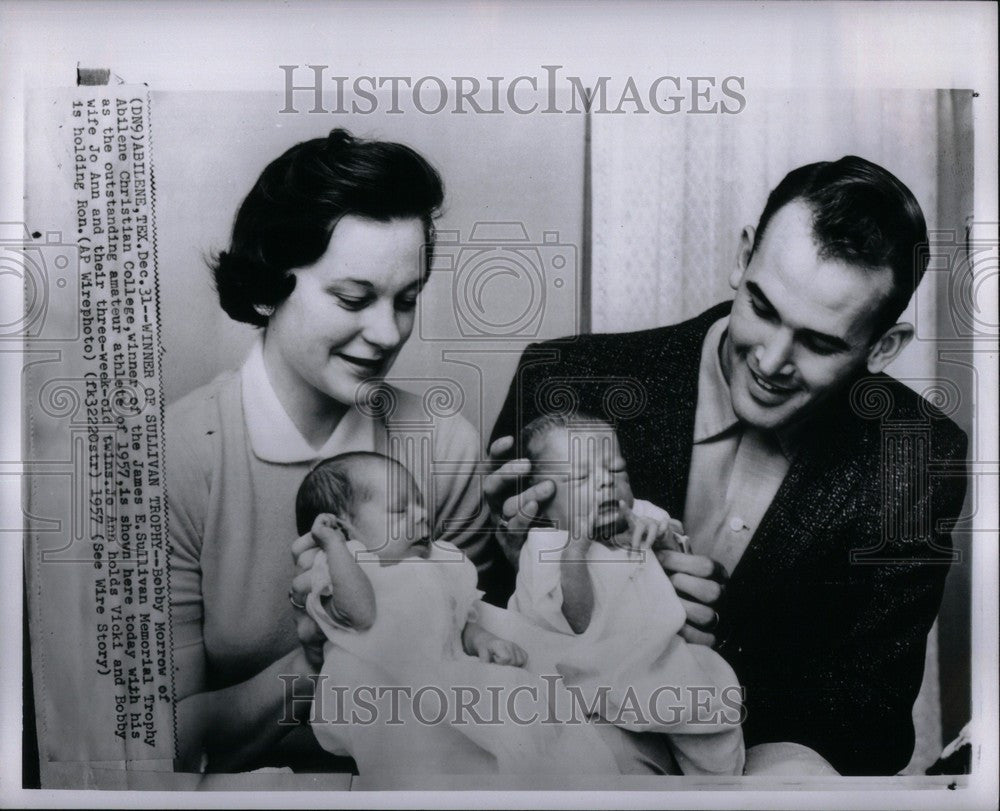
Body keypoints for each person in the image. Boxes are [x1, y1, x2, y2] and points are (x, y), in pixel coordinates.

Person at [486, 156, 968, 776]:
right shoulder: (566, 384)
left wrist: (704, 642)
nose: (771, 360)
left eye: (819, 342)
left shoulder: (918, 456)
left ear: (884, 347)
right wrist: (517, 563)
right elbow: (472, 648)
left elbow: (870, 727)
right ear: (743, 257)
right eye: (761, 308)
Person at [166, 129, 501, 772]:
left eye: (407, 301)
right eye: (353, 298)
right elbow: (162, 742)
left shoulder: (445, 446)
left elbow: (474, 685)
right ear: (267, 287)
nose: (387, 332)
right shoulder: (179, 460)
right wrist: (314, 661)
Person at [296, 451, 617, 775]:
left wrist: (483, 640)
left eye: (421, 503)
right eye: (400, 509)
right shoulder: (338, 570)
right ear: (342, 528)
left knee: (513, 719)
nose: (422, 514)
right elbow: (361, 614)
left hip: (446, 678)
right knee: (417, 759)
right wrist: (335, 547)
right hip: (380, 695)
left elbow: (454, 619)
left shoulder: (429, 565)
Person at [509, 413, 745, 776]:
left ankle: (722, 787)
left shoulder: (640, 514)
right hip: (593, 673)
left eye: (617, 471)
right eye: (581, 478)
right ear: (542, 503)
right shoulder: (546, 545)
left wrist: (662, 536)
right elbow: (578, 619)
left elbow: (680, 555)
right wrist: (577, 550)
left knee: (712, 717)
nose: (606, 482)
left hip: (662, 654)